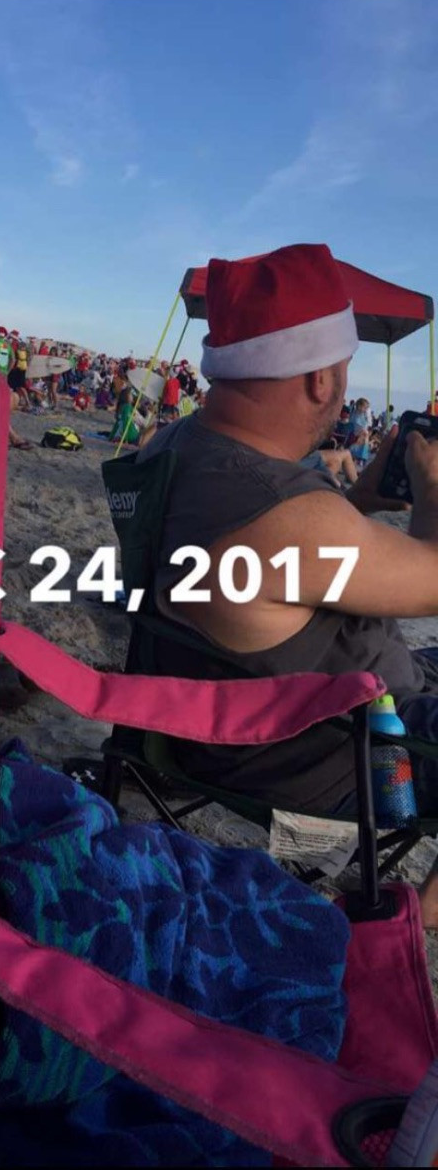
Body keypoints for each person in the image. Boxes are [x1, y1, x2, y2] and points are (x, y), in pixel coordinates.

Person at [137, 242, 438, 927]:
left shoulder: (168, 450)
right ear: (320, 380)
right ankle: (418, 915)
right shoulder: (292, 515)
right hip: (346, 754)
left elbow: (271, 572)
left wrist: (356, 500)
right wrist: (430, 488)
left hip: (205, 730)